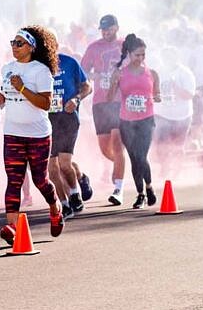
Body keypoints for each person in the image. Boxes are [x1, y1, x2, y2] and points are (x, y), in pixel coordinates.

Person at [0, 27, 65, 244]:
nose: (14, 47)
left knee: (40, 180)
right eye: (12, 43)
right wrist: (1, 100)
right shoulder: (7, 68)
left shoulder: (41, 71)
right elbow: (9, 97)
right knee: (14, 180)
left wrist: (22, 88)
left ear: (32, 47)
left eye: (19, 43)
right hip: (12, 132)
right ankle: (12, 227)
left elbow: (45, 104)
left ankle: (55, 209)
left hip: (37, 135)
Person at [108, 35, 161, 209]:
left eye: (143, 55)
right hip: (127, 122)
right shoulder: (120, 73)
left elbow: (157, 95)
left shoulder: (152, 74)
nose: (140, 58)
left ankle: (149, 187)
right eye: (137, 55)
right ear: (129, 54)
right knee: (133, 158)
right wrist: (113, 82)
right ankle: (140, 194)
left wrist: (157, 97)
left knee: (141, 155)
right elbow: (109, 98)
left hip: (146, 120)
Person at [81, 14, 127, 205]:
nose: (106, 32)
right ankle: (121, 163)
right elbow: (82, 70)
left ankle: (118, 188)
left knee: (117, 144)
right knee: (105, 149)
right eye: (103, 30)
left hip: (120, 100)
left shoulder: (126, 44)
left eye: (109, 29)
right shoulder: (94, 47)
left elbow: (139, 67)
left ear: (116, 27)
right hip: (100, 102)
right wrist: (93, 76)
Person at [48, 52, 93, 218]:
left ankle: (75, 193)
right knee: (52, 168)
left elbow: (87, 86)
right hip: (46, 121)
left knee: (64, 164)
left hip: (68, 118)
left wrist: (76, 99)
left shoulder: (69, 62)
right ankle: (65, 205)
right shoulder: (35, 66)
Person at [154, 47, 196, 179]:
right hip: (162, 114)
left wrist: (175, 87)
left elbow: (189, 95)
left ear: (176, 57)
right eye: (165, 56)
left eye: (170, 56)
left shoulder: (185, 73)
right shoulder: (159, 72)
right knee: (160, 144)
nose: (167, 59)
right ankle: (165, 167)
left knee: (178, 145)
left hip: (182, 115)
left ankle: (178, 169)